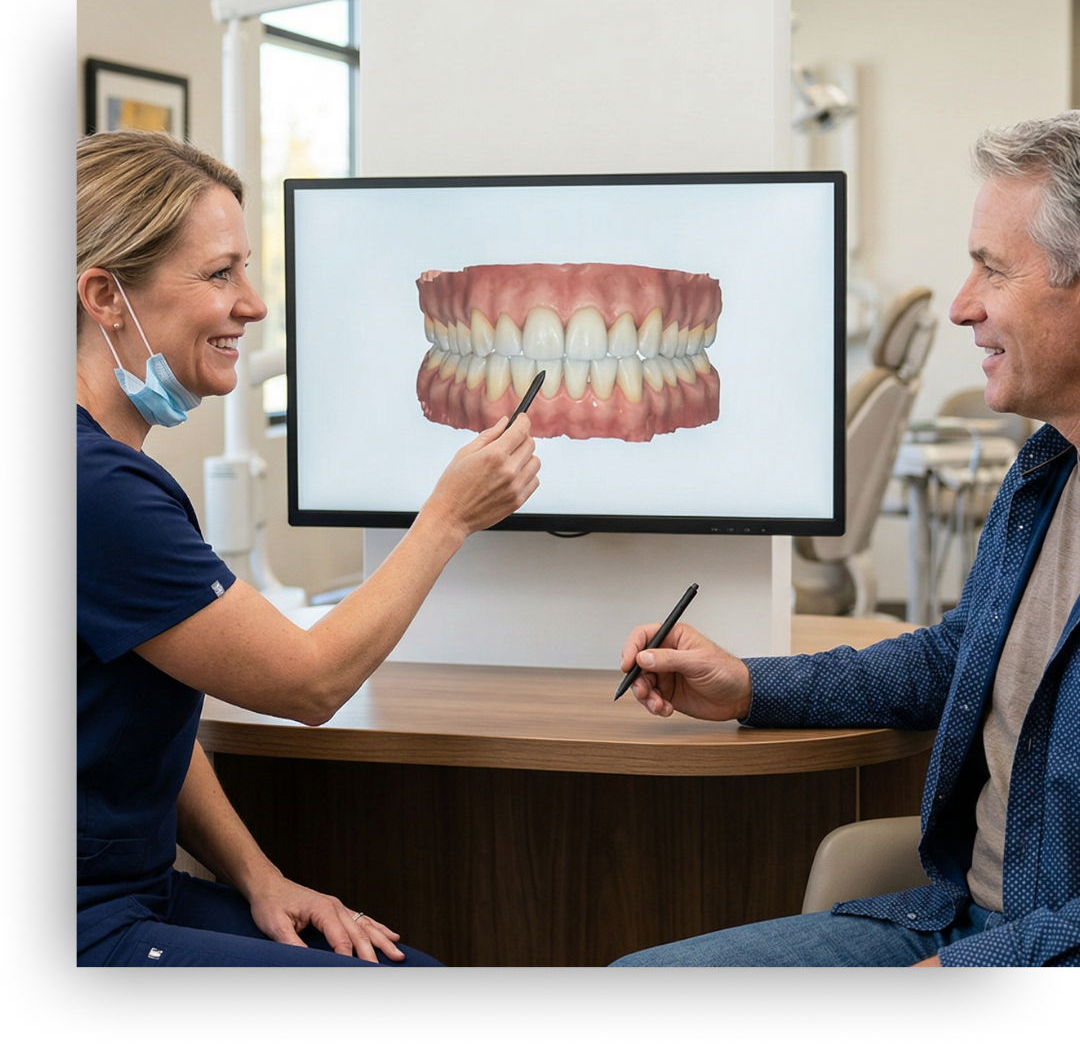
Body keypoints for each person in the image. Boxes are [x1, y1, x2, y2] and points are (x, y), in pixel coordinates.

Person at [612, 113, 1079, 968]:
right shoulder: (1046, 473)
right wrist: (750, 687)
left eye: (993, 269)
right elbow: (956, 658)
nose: (961, 303)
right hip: (955, 920)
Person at [76, 131, 541, 967]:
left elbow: (144, 719)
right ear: (105, 295)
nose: (253, 304)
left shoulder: (108, 472)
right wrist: (448, 519)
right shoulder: (100, 491)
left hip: (131, 889)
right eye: (221, 274)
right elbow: (310, 682)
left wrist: (262, 878)